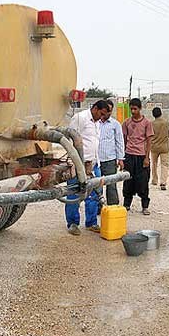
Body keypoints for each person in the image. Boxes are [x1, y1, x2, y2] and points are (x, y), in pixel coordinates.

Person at [65, 100, 110, 235]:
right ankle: (73, 223)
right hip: (78, 163)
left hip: (94, 163)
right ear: (95, 108)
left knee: (94, 194)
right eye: (101, 114)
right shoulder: (80, 118)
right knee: (73, 193)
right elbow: (69, 140)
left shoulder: (97, 123)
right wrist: (72, 163)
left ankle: (91, 223)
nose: (102, 117)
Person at [122, 98, 154, 215]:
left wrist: (147, 158)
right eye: (131, 109)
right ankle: (126, 204)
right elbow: (124, 140)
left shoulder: (147, 123)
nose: (133, 111)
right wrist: (123, 156)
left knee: (143, 182)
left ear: (140, 108)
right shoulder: (126, 123)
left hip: (141, 156)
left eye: (135, 109)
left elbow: (149, 141)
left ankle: (145, 206)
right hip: (129, 155)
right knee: (128, 180)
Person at [98, 100, 125, 205]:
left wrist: (121, 159)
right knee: (96, 186)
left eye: (110, 110)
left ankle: (113, 207)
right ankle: (98, 208)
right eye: (106, 110)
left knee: (111, 185)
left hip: (110, 160)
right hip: (97, 160)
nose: (107, 113)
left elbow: (119, 142)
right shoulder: (95, 123)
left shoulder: (115, 124)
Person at [150, 107, 169, 191]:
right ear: (161, 113)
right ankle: (163, 182)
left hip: (154, 147)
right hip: (164, 147)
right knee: (164, 165)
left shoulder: (151, 124)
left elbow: (149, 135)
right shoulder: (166, 123)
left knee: (154, 164)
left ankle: (154, 180)